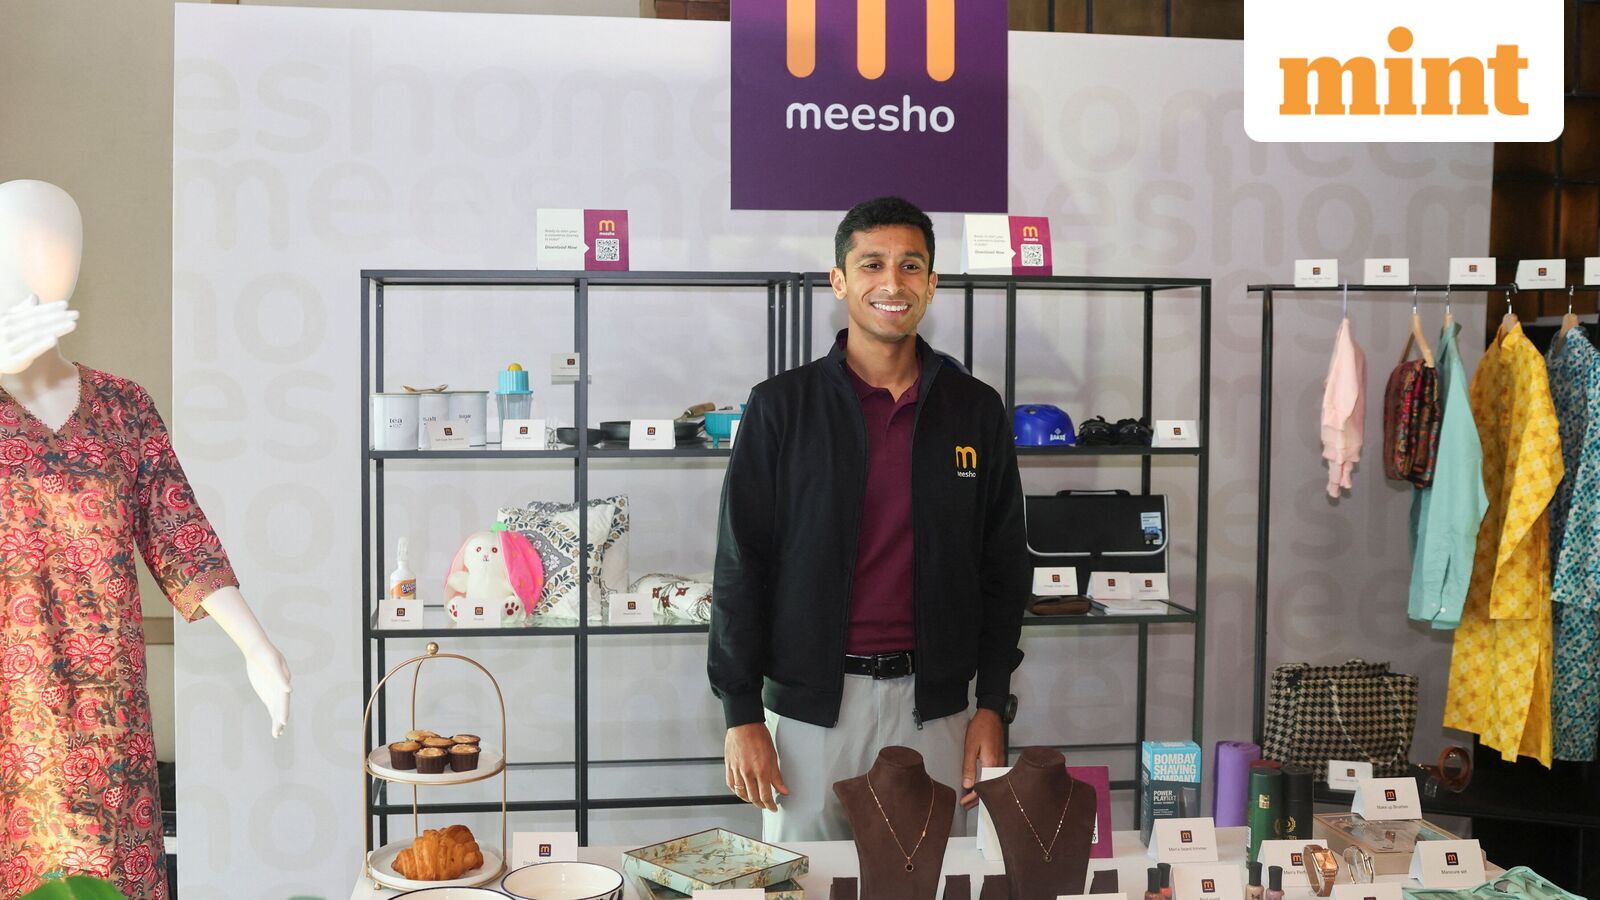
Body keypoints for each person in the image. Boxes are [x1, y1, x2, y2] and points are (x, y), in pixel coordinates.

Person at [709, 196, 1028, 841]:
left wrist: (991, 705)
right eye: (872, 264)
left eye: (911, 266)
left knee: (935, 882)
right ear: (839, 280)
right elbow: (741, 565)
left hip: (936, 711)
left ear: (932, 284)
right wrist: (742, 713)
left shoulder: (975, 410)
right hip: (810, 714)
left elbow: (1003, 568)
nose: (892, 283)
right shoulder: (781, 407)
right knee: (805, 883)